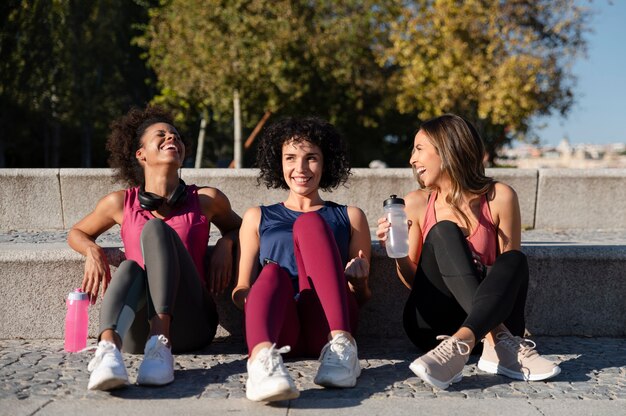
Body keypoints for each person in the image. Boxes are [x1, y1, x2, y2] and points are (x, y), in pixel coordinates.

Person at [376, 114, 560, 390]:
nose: (412, 159)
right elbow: (418, 285)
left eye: (419, 149)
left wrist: (474, 266)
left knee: (515, 259)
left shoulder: (499, 196)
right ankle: (496, 339)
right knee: (443, 231)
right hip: (434, 324)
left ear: (448, 149)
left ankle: (467, 341)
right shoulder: (415, 203)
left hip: (491, 312)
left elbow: (509, 278)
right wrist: (399, 254)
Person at [67, 106, 241, 391]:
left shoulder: (207, 199)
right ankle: (109, 351)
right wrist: (92, 250)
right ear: (141, 154)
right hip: (136, 331)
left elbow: (241, 227)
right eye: (160, 135)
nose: (171, 138)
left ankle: (161, 343)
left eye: (176, 136)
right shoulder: (119, 202)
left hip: (192, 322)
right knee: (131, 267)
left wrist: (226, 241)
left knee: (156, 230)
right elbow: (77, 233)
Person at [231, 116, 371, 402]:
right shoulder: (257, 216)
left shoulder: (350, 216)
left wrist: (359, 282)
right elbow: (241, 288)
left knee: (310, 224)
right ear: (278, 162)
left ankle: (344, 348)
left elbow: (363, 296)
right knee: (271, 274)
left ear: (326, 162)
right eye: (291, 158)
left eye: (311, 158)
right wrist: (259, 302)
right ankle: (261, 363)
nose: (301, 168)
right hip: (284, 326)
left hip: (329, 323)